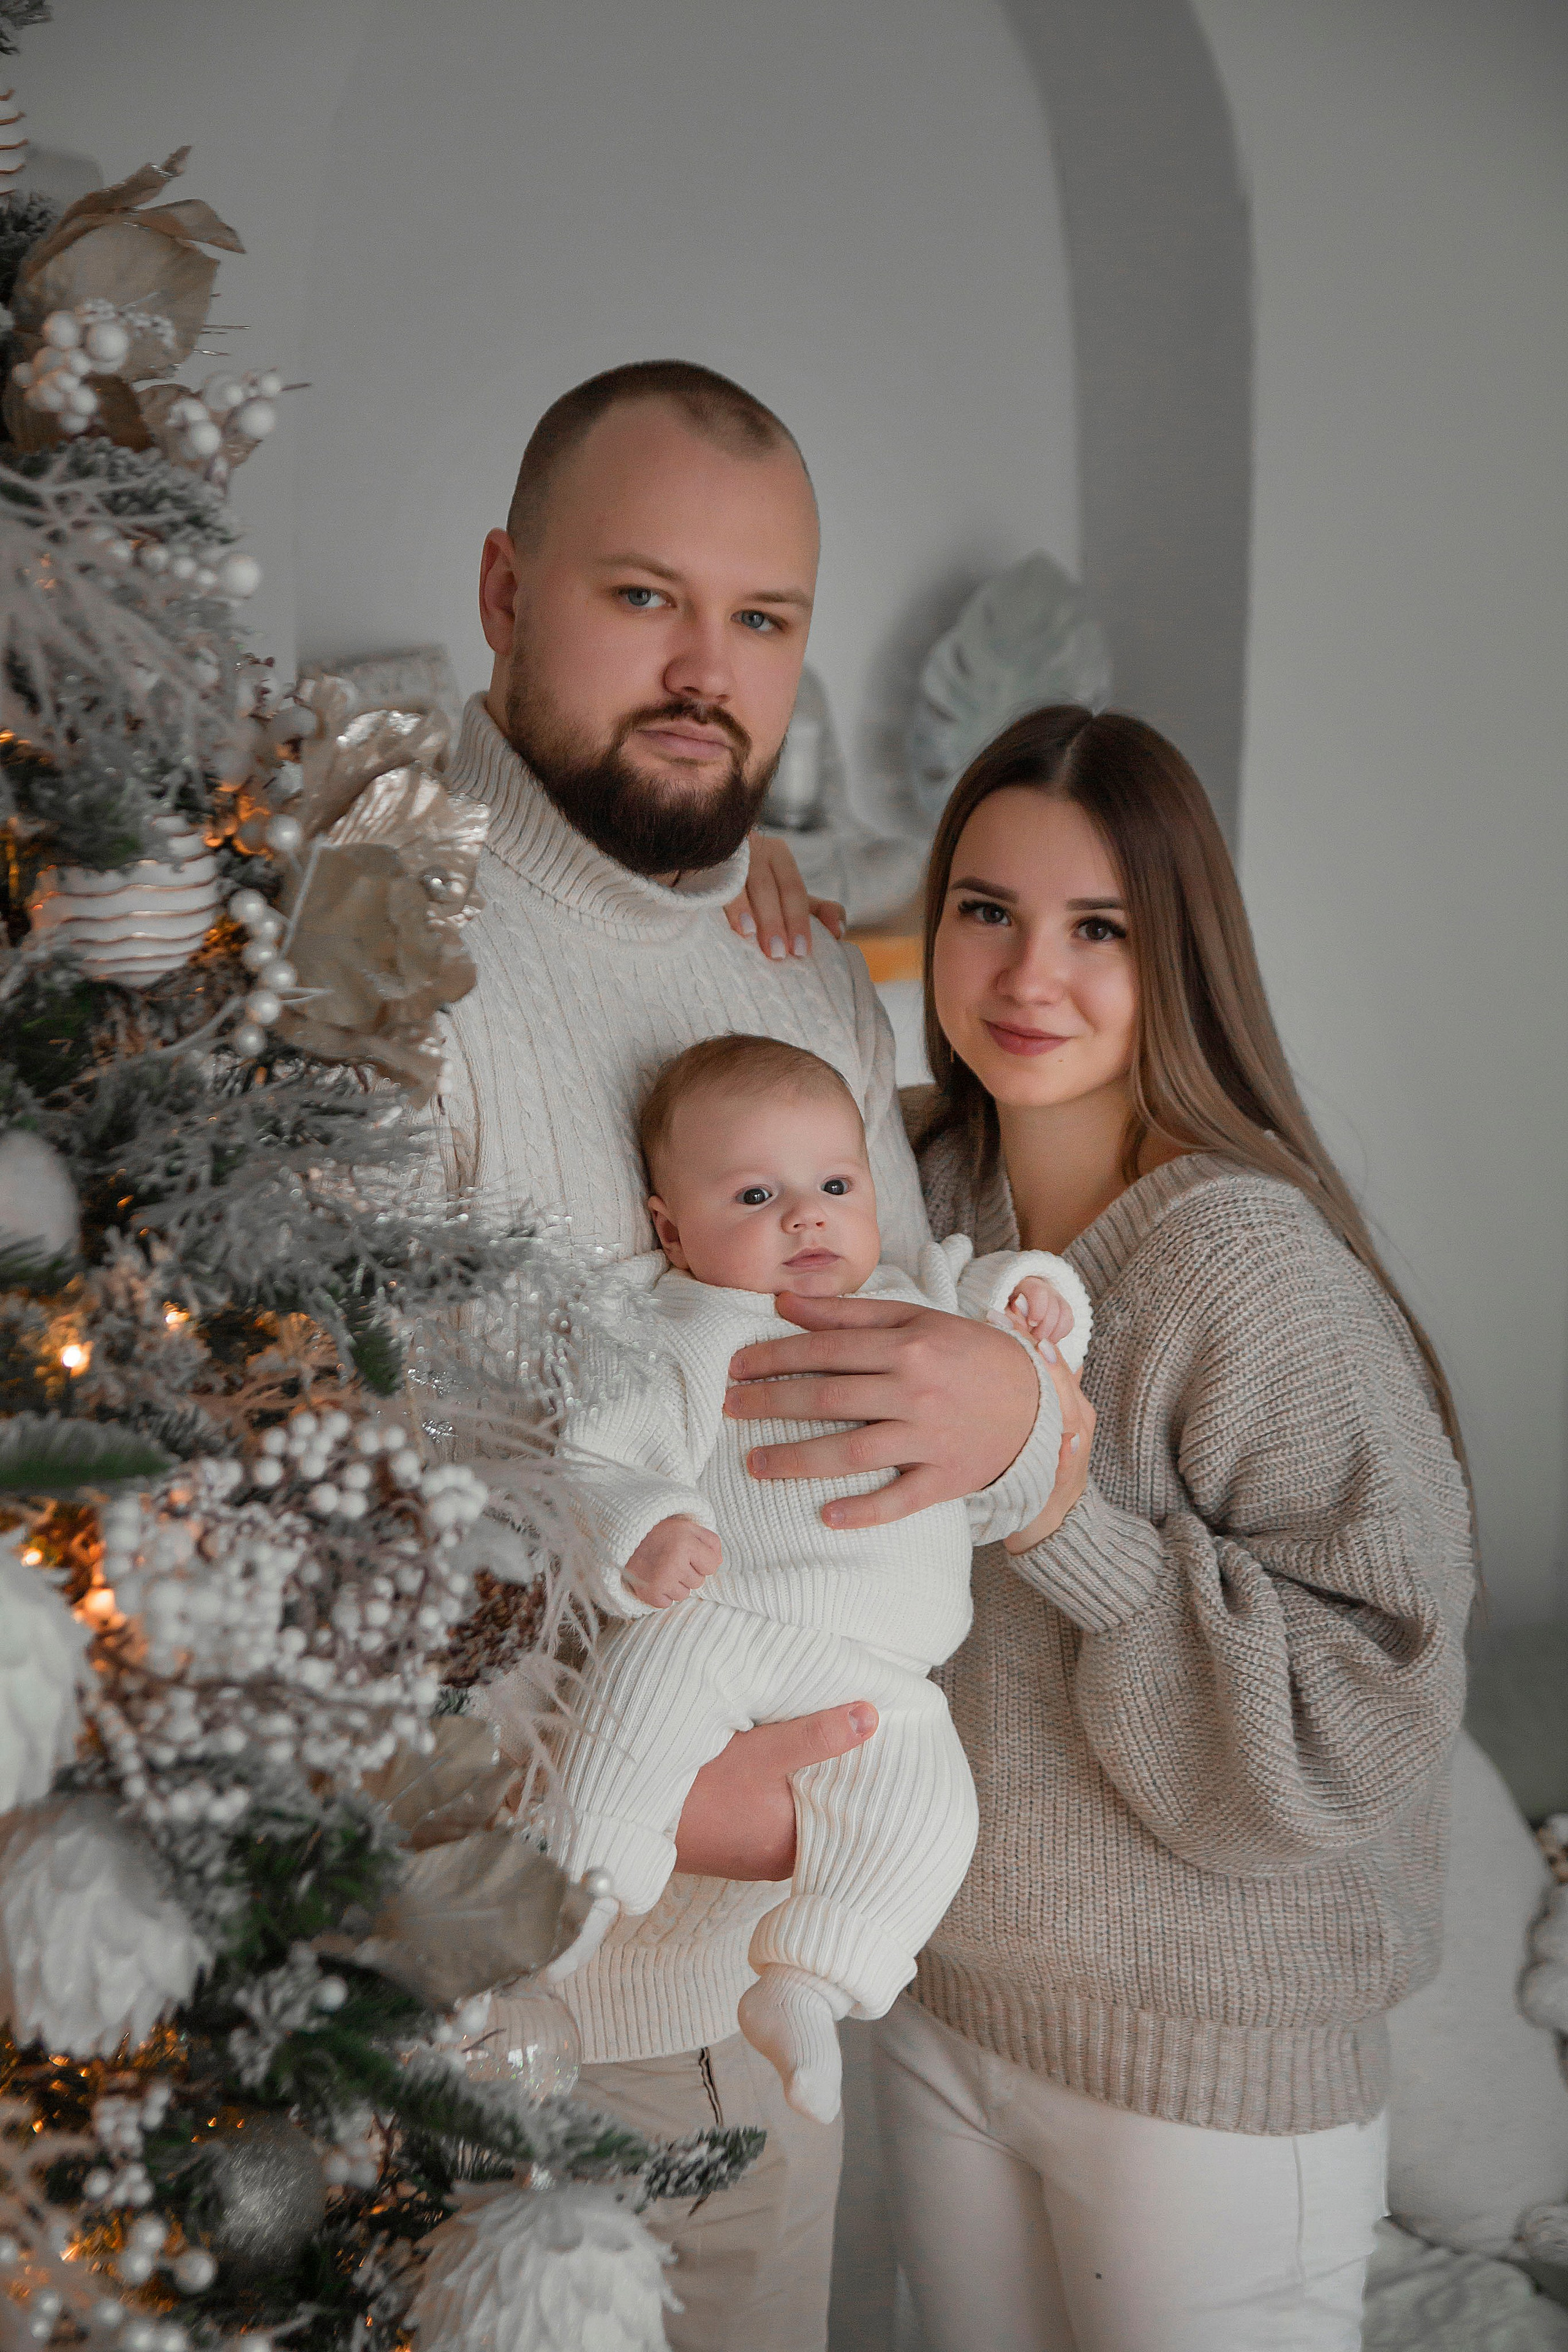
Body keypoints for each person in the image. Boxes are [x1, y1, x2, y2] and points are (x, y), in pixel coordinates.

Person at [433, 358, 1074, 2350]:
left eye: (764, 619)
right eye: (643, 598)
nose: (706, 669)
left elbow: (931, 1381)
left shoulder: (797, 956)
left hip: (757, 2036)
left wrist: (1027, 1426)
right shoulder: (376, 939)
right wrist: (670, 1801)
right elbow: (271, 1537)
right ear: (502, 590)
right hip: (460, 2008)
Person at [818, 703, 1470, 2352]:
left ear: (1179, 953)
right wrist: (755, 929)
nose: (1030, 974)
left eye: (1099, 927)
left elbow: (1371, 1714)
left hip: (1215, 2073)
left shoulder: (1248, 1268)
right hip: (953, 2009)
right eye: (987, 909)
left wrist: (1054, 1498)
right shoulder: (915, 1189)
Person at [546, 1033, 1088, 2127]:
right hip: (724, 1621)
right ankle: (562, 1916)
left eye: (836, 1185)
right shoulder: (684, 1326)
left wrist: (1036, 1304)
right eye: (757, 1193)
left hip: (886, 1671)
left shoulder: (912, 1302)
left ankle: (808, 1983)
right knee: (622, 1738)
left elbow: (1006, 1348)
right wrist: (643, 1530)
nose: (807, 1216)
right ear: (671, 1227)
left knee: (934, 1818)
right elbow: (596, 1459)